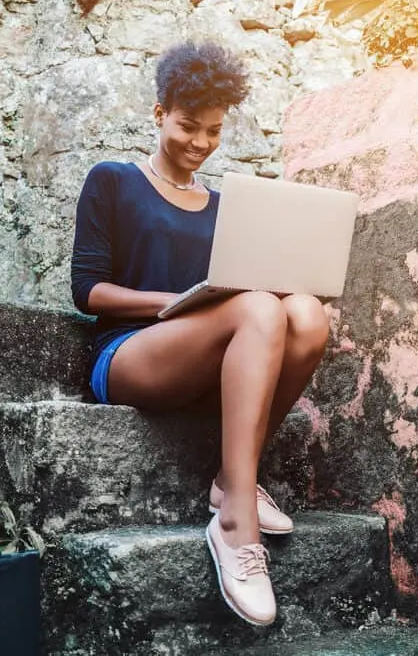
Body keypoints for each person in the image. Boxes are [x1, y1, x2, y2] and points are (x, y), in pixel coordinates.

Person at [69, 41, 329, 627]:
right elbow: (88, 290)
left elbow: (246, 294)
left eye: (213, 132)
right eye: (188, 126)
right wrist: (178, 306)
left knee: (309, 313)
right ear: (160, 112)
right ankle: (236, 519)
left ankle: (229, 480)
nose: (199, 143)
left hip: (211, 356)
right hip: (130, 352)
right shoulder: (112, 180)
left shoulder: (225, 206)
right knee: (259, 308)